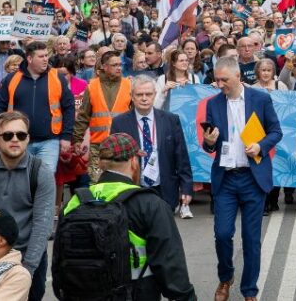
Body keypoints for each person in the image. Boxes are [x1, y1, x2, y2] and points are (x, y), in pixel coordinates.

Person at [60, 133, 197, 300]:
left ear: (102, 164)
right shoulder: (149, 204)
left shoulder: (75, 202)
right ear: (133, 162)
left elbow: (59, 264)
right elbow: (171, 268)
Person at [200, 56, 282, 301]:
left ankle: (249, 291)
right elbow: (209, 142)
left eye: (224, 79)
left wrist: (260, 145)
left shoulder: (261, 99)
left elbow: (276, 131)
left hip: (252, 178)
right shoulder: (213, 104)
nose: (219, 84)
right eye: (217, 79)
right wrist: (209, 142)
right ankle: (226, 278)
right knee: (223, 234)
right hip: (225, 178)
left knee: (251, 239)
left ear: (238, 76)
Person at [0, 111, 56, 301]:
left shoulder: (41, 173)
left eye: (21, 135)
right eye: (8, 135)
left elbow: (43, 224)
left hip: (28, 256)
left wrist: (27, 270)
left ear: (28, 138)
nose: (15, 140)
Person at [110, 74, 193, 217]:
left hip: (164, 188)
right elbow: (114, 160)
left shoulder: (171, 120)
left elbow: (181, 156)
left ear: (155, 94)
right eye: (139, 94)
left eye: (148, 94)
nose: (144, 98)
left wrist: (186, 188)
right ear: (132, 96)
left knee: (163, 236)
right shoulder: (119, 123)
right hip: (133, 189)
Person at [0, 41, 76, 174]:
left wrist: (66, 137)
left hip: (49, 141)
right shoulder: (12, 78)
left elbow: (69, 108)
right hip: (18, 140)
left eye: (46, 56)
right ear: (30, 59)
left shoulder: (57, 77)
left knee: (45, 178)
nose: (45, 59)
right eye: (41, 56)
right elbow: (0, 108)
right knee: (19, 178)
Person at [73, 51, 133, 182]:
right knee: (97, 183)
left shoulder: (129, 85)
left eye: (120, 64)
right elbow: (83, 115)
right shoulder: (92, 86)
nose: (119, 67)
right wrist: (77, 139)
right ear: (104, 67)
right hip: (98, 146)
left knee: (121, 185)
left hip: (121, 145)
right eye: (114, 65)